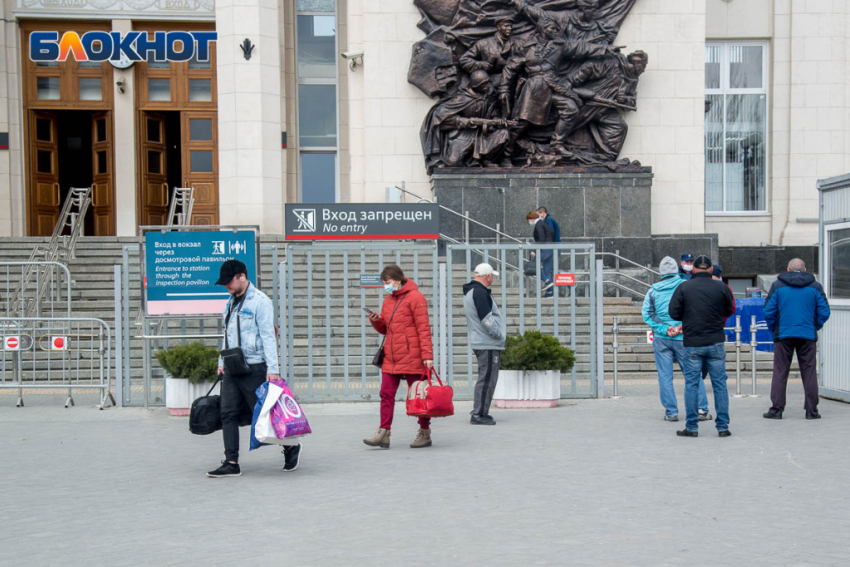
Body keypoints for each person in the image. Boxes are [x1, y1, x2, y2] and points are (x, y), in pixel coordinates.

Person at [207, 260, 302, 478]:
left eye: (228, 281)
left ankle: (290, 447)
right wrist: (221, 362)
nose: (226, 287)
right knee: (227, 413)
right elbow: (227, 335)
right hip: (232, 365)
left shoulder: (260, 302)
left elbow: (268, 336)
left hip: (254, 365)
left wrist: (273, 368)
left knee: (262, 415)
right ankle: (231, 462)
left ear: (242, 276)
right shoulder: (230, 302)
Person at [364, 265, 435, 449]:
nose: (386, 287)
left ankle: (425, 432)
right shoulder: (388, 300)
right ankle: (383, 432)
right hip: (392, 356)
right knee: (386, 394)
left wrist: (427, 355)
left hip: (413, 355)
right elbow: (386, 329)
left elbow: (423, 328)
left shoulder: (416, 297)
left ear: (398, 279)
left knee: (418, 395)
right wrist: (376, 320)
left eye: (387, 283)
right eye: (384, 284)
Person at [668, 255, 735, 438]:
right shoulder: (722, 287)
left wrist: (688, 314)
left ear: (695, 269)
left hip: (692, 343)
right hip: (715, 342)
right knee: (720, 384)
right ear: (711, 270)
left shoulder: (684, 287)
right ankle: (722, 427)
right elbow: (729, 310)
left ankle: (692, 427)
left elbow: (673, 312)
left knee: (691, 384)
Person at [641, 256, 711, 422]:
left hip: (661, 338)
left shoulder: (653, 290)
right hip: (683, 338)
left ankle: (671, 412)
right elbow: (693, 310)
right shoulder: (686, 286)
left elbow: (647, 314)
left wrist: (665, 329)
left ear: (661, 272)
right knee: (693, 374)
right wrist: (681, 326)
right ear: (676, 270)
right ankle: (701, 409)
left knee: (665, 376)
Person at [762, 259, 831, 420]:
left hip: (784, 334)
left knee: (780, 372)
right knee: (809, 372)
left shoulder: (778, 285)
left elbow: (768, 311)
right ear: (805, 269)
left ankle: (777, 410)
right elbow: (825, 311)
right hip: (807, 334)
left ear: (787, 269)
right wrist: (814, 325)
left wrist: (775, 327)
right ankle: (811, 411)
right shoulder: (815, 286)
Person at [463, 263, 507, 425]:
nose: (493, 278)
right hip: (487, 342)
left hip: (481, 341)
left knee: (486, 377)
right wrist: (498, 334)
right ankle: (478, 414)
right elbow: (487, 319)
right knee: (487, 378)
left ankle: (481, 411)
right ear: (487, 276)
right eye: (492, 276)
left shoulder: (472, 291)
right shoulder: (480, 292)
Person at [527, 211, 554, 296]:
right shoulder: (542, 223)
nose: (529, 222)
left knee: (534, 266)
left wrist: (535, 250)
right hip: (549, 249)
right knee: (547, 271)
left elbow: (541, 239)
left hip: (545, 249)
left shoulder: (538, 224)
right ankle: (549, 292)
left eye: (529, 220)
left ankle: (547, 281)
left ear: (532, 218)